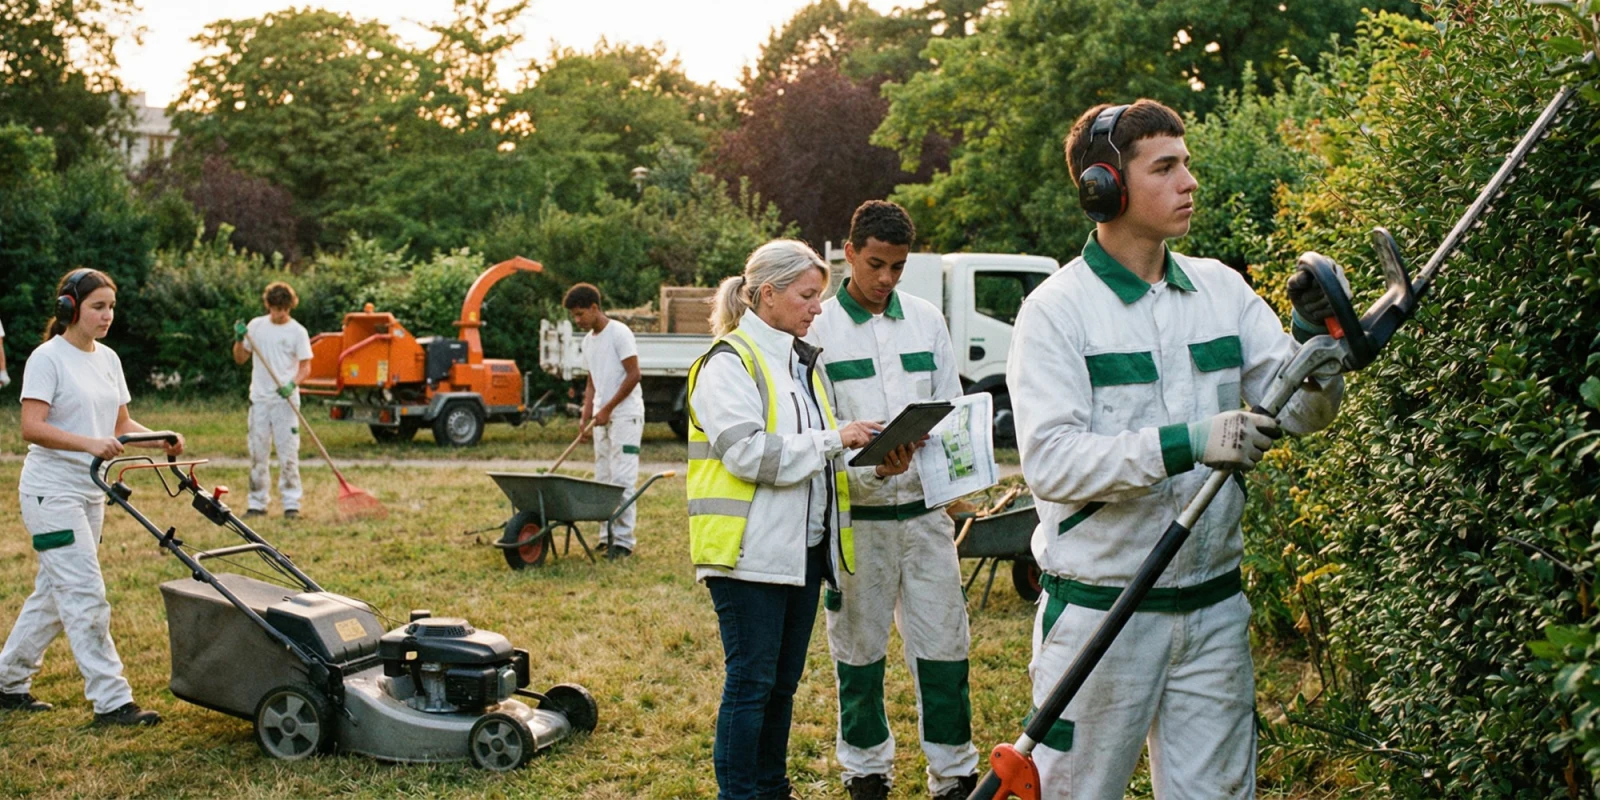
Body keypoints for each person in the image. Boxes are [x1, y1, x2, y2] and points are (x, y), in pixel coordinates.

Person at [1007, 99, 1346, 798]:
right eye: (1165, 167)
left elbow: (1309, 413)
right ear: (1103, 186)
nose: (1189, 181)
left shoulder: (1222, 291)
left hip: (1214, 610)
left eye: (1186, 162)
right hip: (1103, 614)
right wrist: (1189, 442)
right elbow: (1053, 463)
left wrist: (1321, 341)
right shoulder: (1057, 311)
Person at [687, 239, 907, 800]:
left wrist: (875, 463)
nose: (817, 308)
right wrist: (839, 436)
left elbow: (819, 464)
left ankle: (771, 788)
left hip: (800, 556)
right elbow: (750, 455)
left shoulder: (800, 364)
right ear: (767, 295)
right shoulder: (727, 363)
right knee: (752, 684)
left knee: (780, 687)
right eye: (808, 296)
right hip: (747, 557)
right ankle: (741, 794)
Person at [806, 201, 978, 800]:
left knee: (945, 649)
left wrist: (942, 462)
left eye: (898, 268)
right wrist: (872, 464)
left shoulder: (927, 321)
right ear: (848, 253)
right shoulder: (817, 330)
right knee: (858, 654)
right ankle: (866, 770)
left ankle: (954, 772)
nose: (885, 279)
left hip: (926, 518)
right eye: (876, 264)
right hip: (859, 524)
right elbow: (818, 432)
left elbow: (949, 407)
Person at [0, 268, 185, 725]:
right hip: (51, 493)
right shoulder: (48, 358)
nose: (107, 316)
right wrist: (89, 444)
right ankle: (112, 701)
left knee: (52, 594)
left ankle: (6, 683)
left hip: (90, 491)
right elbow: (32, 427)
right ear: (70, 308)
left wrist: (159, 439)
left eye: (111, 307)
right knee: (85, 594)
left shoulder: (108, 358)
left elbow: (120, 425)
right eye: (98, 307)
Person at [564, 282, 644, 557]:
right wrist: (586, 414)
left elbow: (634, 375)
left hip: (626, 416)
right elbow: (592, 381)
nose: (577, 320)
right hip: (601, 416)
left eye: (580, 314)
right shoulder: (588, 341)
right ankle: (605, 535)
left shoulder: (619, 333)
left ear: (595, 308)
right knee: (602, 478)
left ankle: (622, 541)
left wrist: (608, 408)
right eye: (574, 316)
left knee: (621, 478)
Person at [231, 282, 311, 519]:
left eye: (285, 309)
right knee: (258, 453)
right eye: (276, 309)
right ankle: (257, 503)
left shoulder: (298, 332)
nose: (280, 313)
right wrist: (238, 339)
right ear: (268, 305)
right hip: (260, 401)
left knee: (288, 454)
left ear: (291, 307)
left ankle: (291, 504)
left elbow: (306, 367)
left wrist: (292, 384)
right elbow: (240, 359)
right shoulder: (255, 327)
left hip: (285, 403)